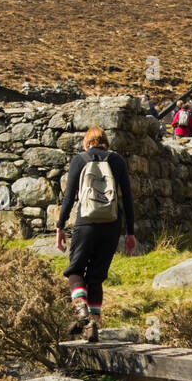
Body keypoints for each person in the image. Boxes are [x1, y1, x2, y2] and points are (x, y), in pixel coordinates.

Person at [56, 126, 137, 341]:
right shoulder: (117, 161)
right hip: (111, 224)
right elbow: (127, 198)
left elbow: (69, 197)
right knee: (96, 277)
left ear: (87, 142)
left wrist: (60, 225)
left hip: (86, 223)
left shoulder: (80, 160)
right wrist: (130, 232)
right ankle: (92, 327)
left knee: (75, 270)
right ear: (105, 142)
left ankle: (81, 307)